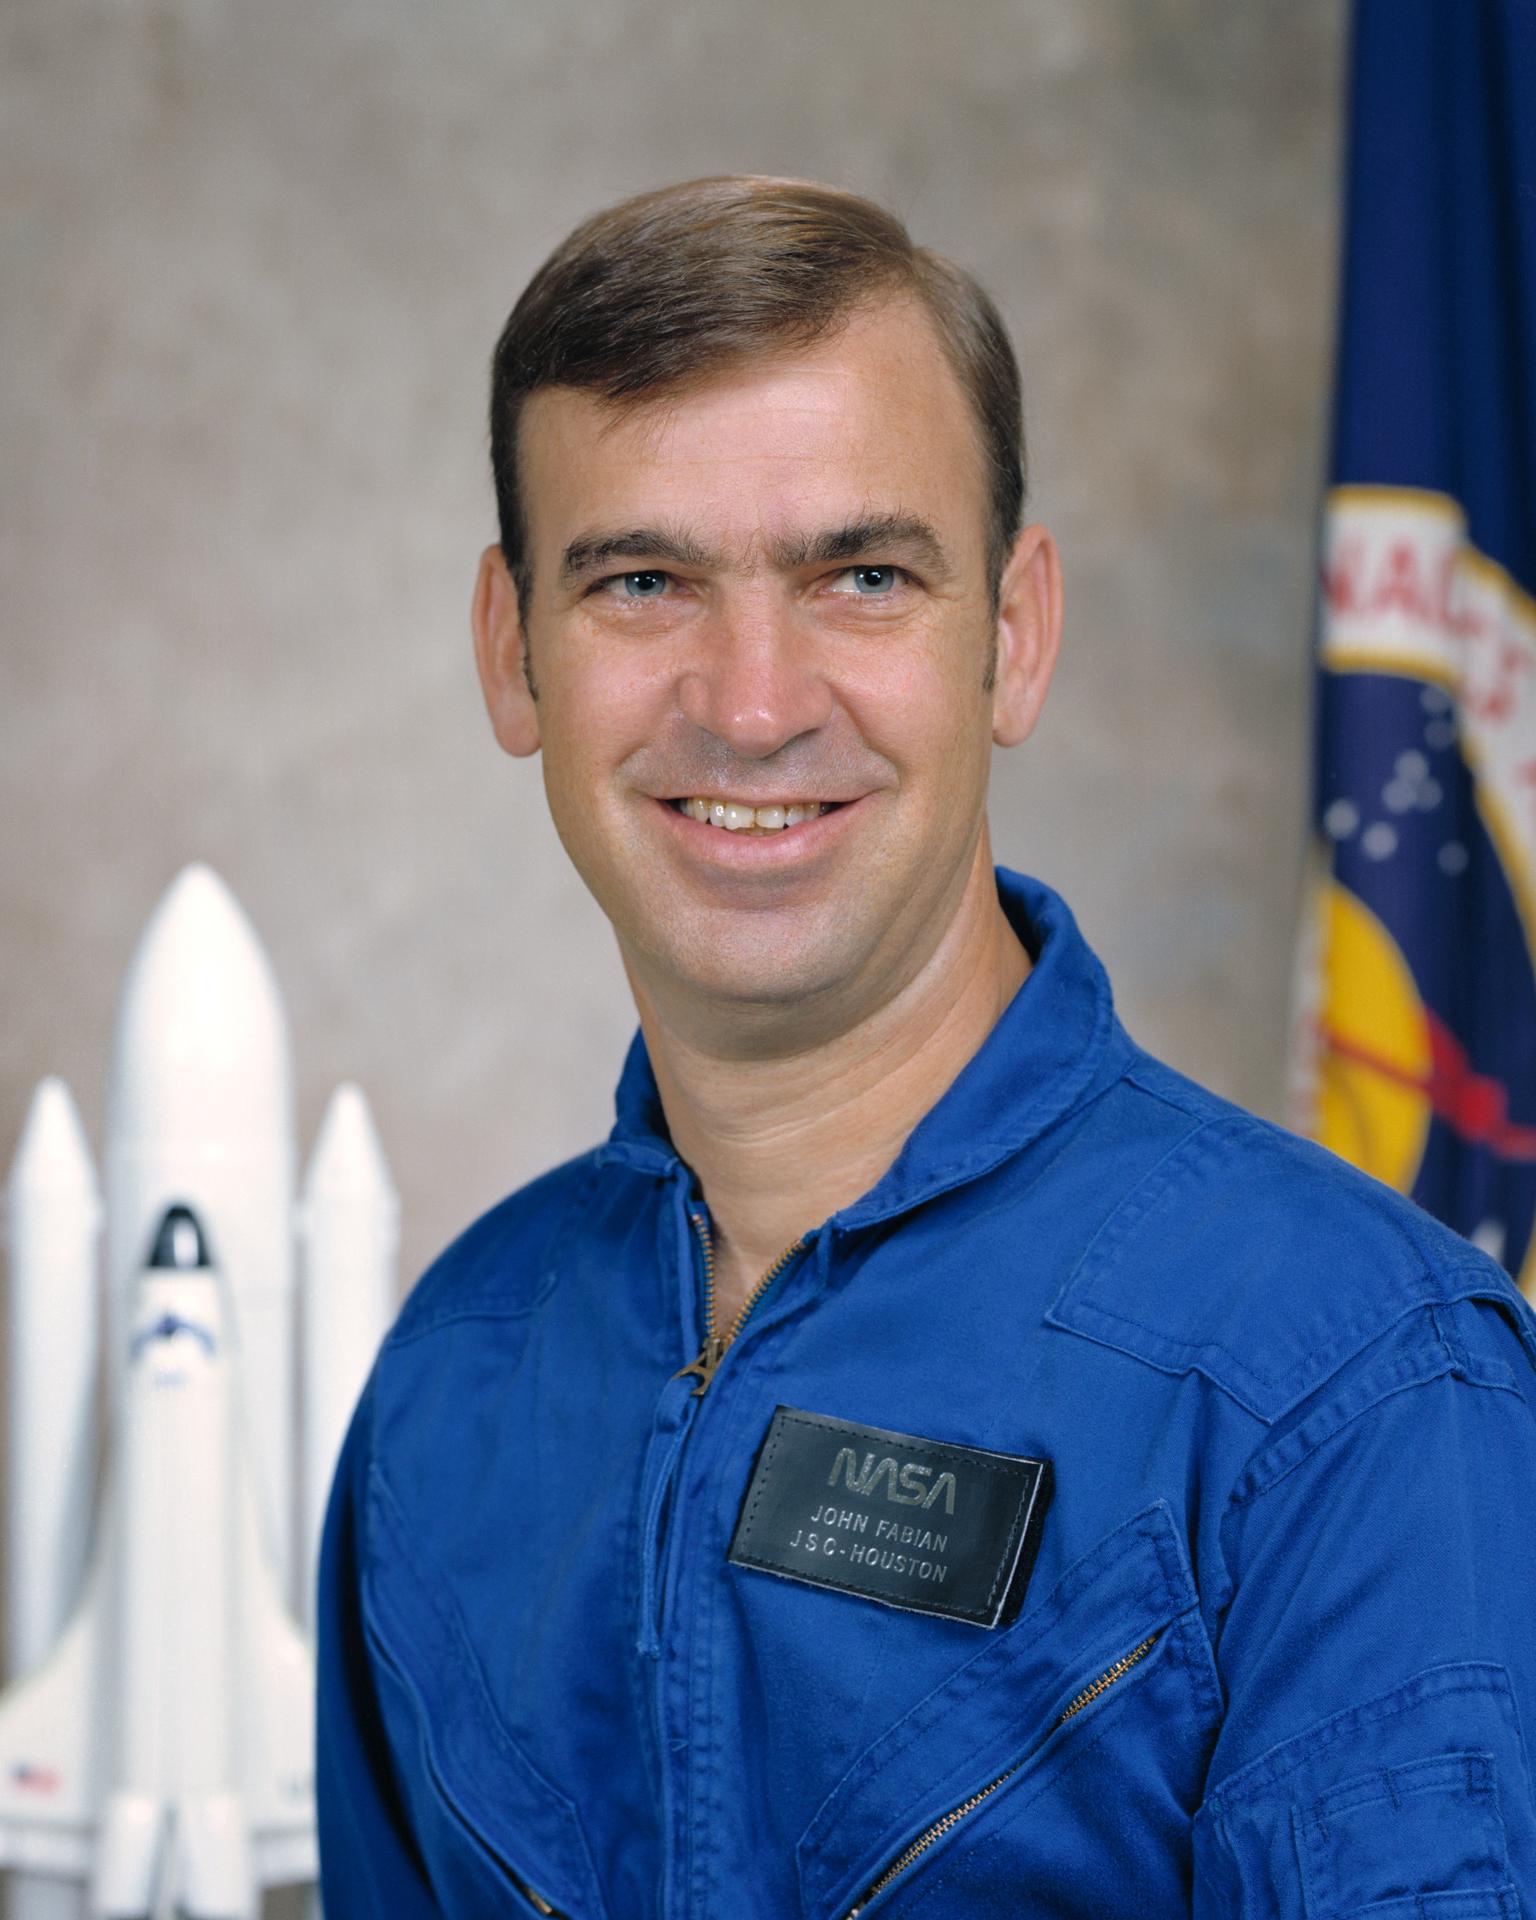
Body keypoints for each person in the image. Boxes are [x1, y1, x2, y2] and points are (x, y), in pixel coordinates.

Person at [316, 176, 1536, 1918]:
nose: (751, 701)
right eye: (644, 580)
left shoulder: (1350, 1393)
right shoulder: (453, 1380)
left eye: (863, 575)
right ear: (515, 657)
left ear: (1013, 638)